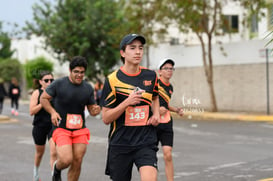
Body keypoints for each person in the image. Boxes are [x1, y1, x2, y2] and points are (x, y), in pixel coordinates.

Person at [101, 33, 160, 181]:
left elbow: (155, 96)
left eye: (140, 48)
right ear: (123, 53)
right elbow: (106, 118)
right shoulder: (112, 80)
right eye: (132, 48)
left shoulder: (151, 76)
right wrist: (126, 102)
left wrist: (156, 114)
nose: (138, 51)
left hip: (146, 140)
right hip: (121, 143)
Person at [40, 56, 101, 181]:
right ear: (70, 70)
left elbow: (91, 109)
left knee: (77, 160)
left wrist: (95, 110)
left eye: (82, 72)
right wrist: (52, 112)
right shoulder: (59, 84)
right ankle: (57, 169)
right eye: (76, 72)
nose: (79, 75)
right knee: (66, 159)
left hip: (79, 129)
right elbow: (43, 98)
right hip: (61, 128)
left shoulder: (88, 88)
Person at [156, 58, 184, 181]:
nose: (169, 71)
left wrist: (176, 110)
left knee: (168, 154)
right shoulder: (154, 84)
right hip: (154, 123)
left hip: (167, 123)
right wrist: (156, 111)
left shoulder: (170, 87)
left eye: (171, 68)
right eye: (166, 68)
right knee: (150, 157)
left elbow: (165, 104)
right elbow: (146, 102)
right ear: (160, 71)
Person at [29, 71, 57, 181]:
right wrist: (43, 102)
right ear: (41, 82)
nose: (49, 82)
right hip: (39, 126)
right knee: (40, 153)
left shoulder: (55, 92)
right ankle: (35, 173)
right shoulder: (37, 93)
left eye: (51, 80)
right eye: (46, 80)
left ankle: (54, 177)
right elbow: (31, 111)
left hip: (53, 126)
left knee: (54, 152)